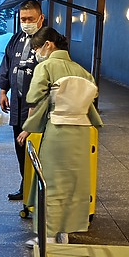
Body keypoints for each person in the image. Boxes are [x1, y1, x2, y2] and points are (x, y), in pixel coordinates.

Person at [17, 27, 103, 244]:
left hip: (58, 130)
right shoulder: (82, 71)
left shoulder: (46, 66)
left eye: (37, 48)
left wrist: (29, 127)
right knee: (74, 183)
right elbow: (93, 98)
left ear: (48, 45)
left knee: (51, 182)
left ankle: (48, 235)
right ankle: (64, 231)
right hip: (81, 132)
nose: (36, 52)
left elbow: (34, 96)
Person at [0, 0, 45, 200]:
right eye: (23, 19)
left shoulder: (49, 39)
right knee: (20, 147)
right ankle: (26, 184)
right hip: (18, 102)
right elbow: (7, 63)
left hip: (38, 105)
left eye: (30, 18)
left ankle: (38, 189)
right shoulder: (16, 39)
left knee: (37, 148)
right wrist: (3, 91)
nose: (26, 22)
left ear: (40, 18)